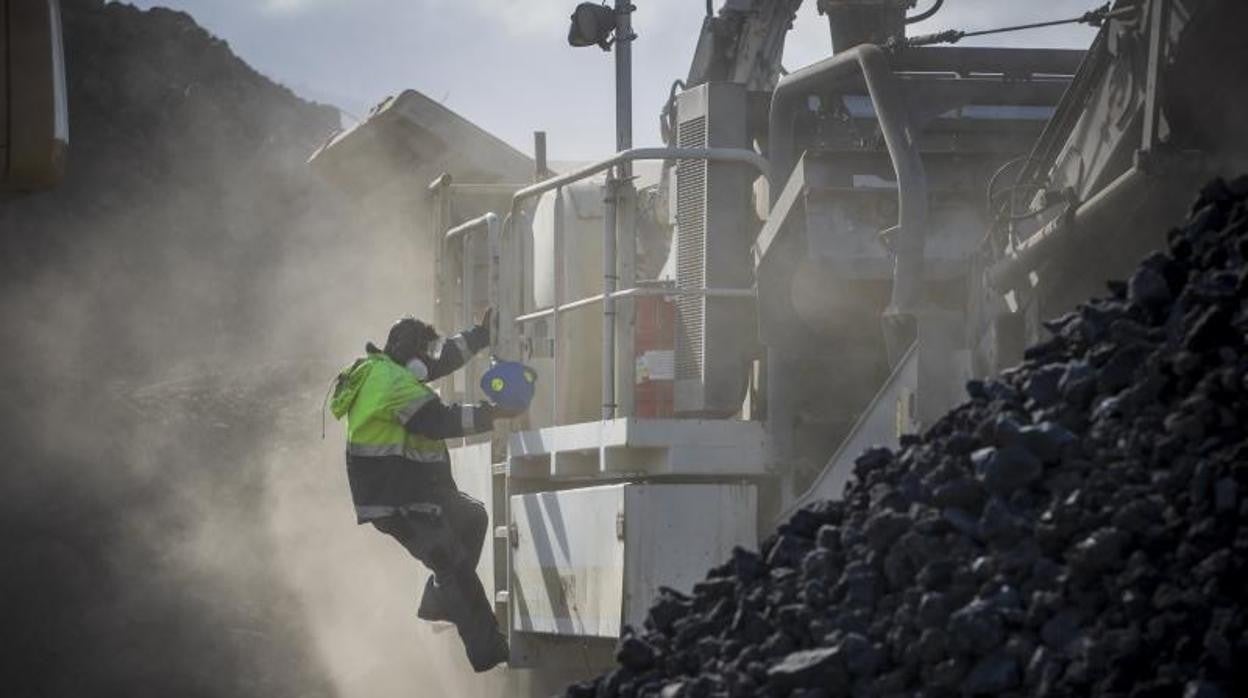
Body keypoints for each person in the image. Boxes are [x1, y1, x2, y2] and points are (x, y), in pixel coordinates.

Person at [330, 309, 521, 672]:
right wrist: (492, 414)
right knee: (454, 565)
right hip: (399, 499)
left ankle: (438, 602)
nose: (430, 365)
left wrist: (480, 335)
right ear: (409, 355)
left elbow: (443, 357)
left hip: (415, 493)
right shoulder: (391, 383)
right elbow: (438, 420)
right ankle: (489, 651)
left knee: (472, 516)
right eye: (424, 355)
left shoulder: (393, 369)